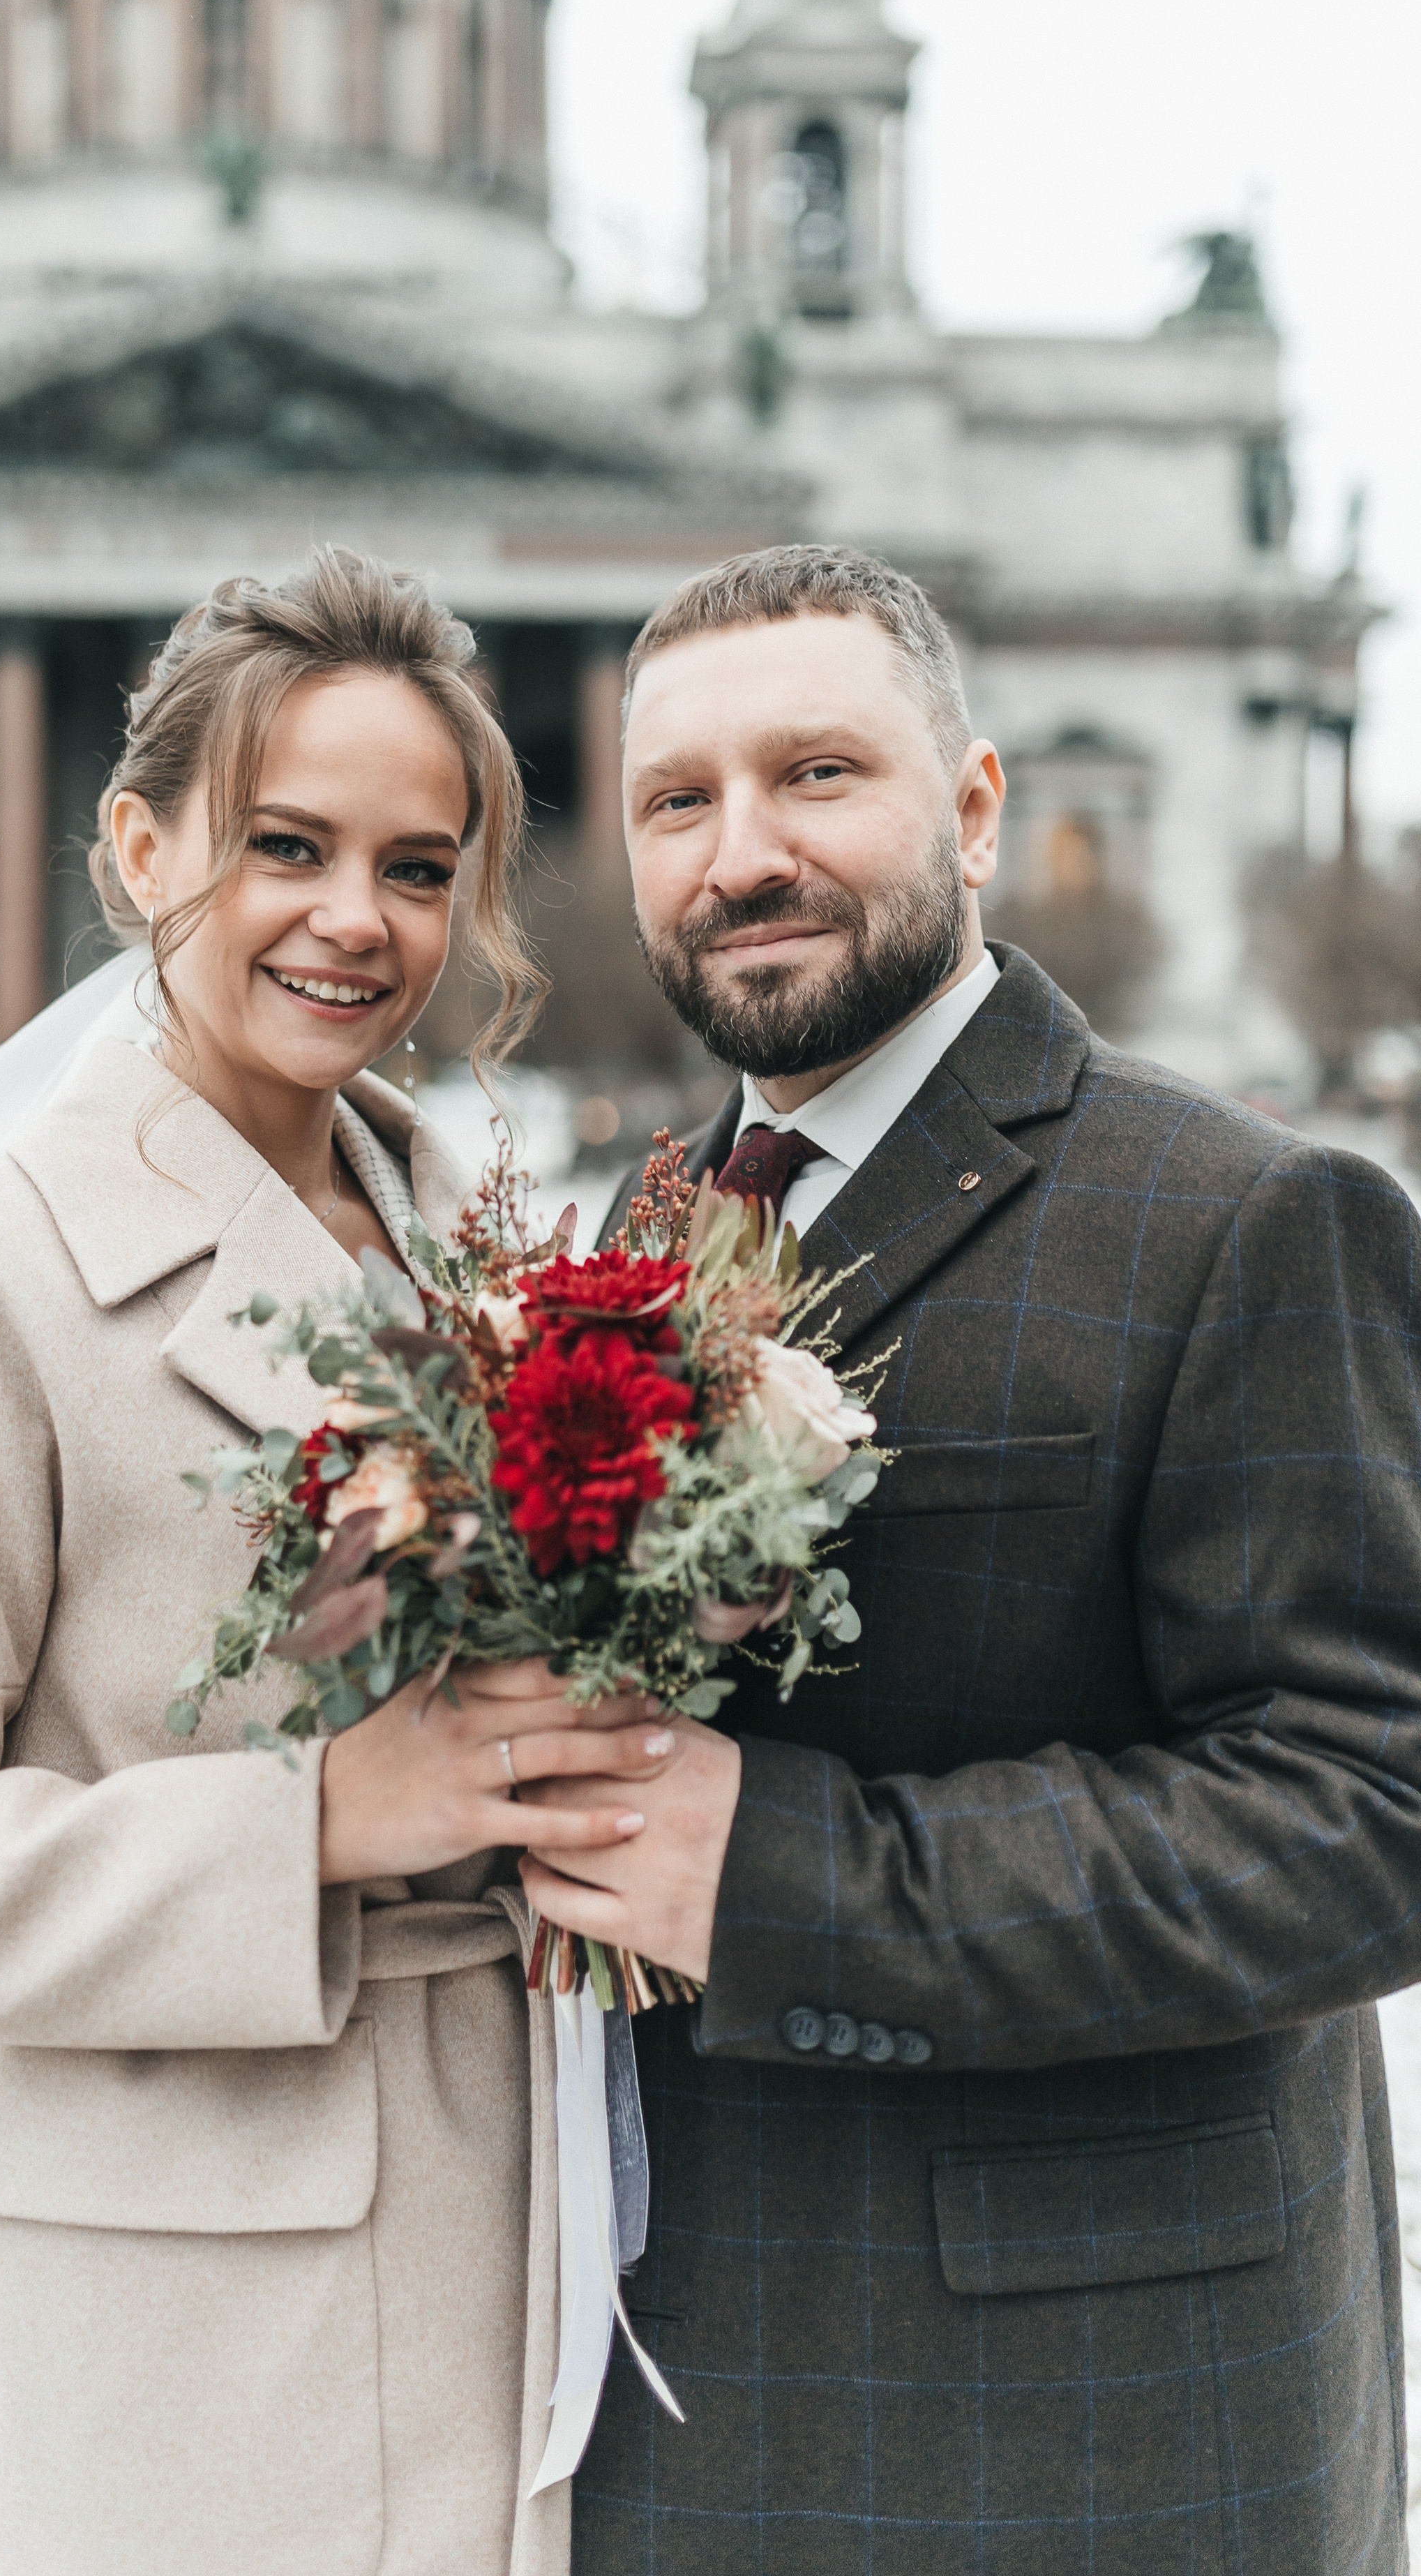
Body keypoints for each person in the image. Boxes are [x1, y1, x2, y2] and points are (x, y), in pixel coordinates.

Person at [0, 550, 675, 2576]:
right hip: (192, 2329)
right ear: (141, 847)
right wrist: (312, 1819)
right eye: (285, 846)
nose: (355, 921)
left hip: (534, 2244)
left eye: (419, 865)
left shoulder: (476, 1252)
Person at [516, 544, 1421, 2575]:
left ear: (979, 808)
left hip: (1086, 2432)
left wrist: (783, 1876)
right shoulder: (642, 1223)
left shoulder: (1248, 1218)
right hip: (669, 2397)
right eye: (680, 801)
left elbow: (1375, 1810)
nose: (741, 854)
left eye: (818, 775)